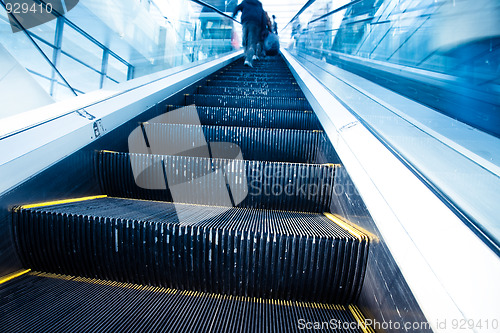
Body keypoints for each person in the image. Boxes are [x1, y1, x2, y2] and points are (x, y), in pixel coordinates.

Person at [232, 0, 265, 67]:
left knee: (245, 40)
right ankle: (248, 59)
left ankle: (246, 56)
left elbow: (237, 8)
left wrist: (233, 16)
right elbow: (263, 16)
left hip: (246, 22)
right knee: (252, 43)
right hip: (256, 24)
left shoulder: (245, 2)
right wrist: (263, 29)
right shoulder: (258, 4)